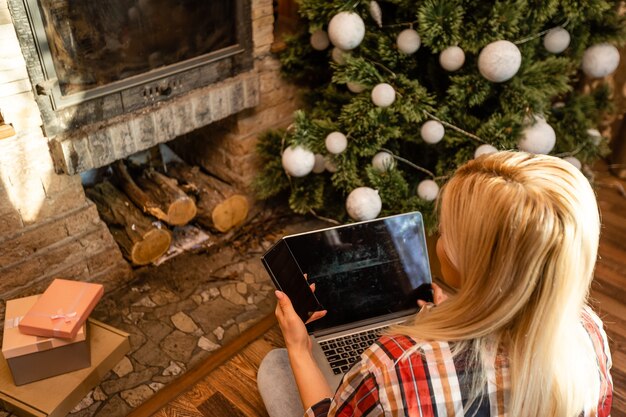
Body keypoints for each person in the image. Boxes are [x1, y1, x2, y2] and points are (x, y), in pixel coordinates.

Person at [257, 151, 613, 417]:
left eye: (444, 232)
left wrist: (299, 349)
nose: (437, 239)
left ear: (471, 261)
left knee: (276, 366)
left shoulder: (396, 363)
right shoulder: (588, 334)